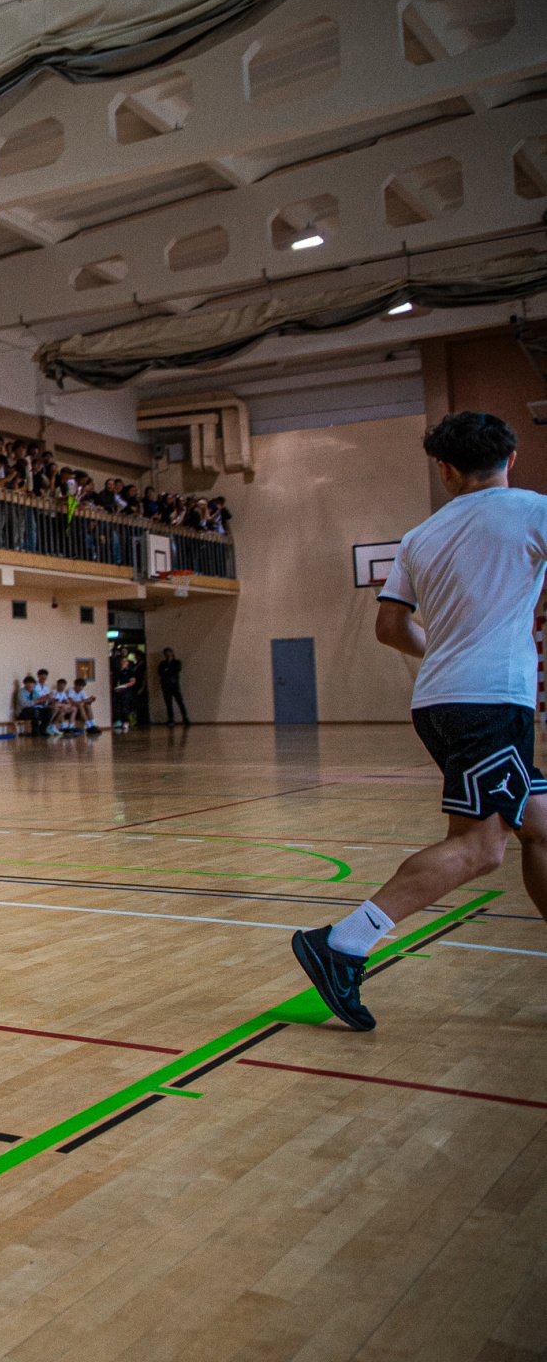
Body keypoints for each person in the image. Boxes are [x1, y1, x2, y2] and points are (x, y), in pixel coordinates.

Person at [293, 412, 547, 1034]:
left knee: (541, 827)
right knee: (480, 848)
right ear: (511, 458)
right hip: (490, 702)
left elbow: (390, 628)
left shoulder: (420, 535)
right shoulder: (534, 510)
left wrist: (449, 650)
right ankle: (342, 944)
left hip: (438, 699)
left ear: (445, 469)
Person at [156, 647, 188, 726]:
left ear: (172, 653)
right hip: (166, 685)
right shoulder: (163, 663)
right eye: (166, 653)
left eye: (169, 652)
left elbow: (175, 670)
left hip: (174, 685)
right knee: (168, 703)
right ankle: (171, 719)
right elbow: (160, 672)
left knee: (180, 701)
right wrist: (167, 671)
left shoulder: (177, 662)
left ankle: (185, 718)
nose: (167, 654)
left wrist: (167, 670)